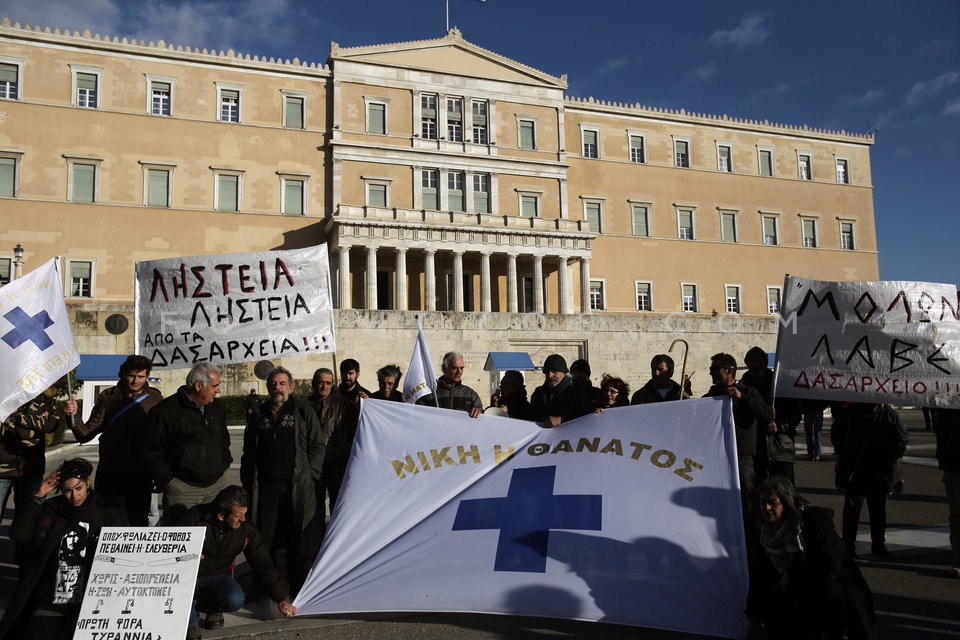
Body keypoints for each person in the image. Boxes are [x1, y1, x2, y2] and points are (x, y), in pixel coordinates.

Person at [0, 458, 124, 640]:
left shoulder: (105, 512)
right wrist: (38, 496)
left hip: (87, 603)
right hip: (49, 601)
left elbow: (118, 554)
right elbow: (19, 534)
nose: (74, 496)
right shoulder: (51, 509)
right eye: (67, 490)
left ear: (87, 484)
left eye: (79, 488)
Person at [747, 476, 875, 640]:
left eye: (773, 502)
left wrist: (792, 576)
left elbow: (829, 567)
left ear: (786, 502)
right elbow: (760, 576)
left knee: (828, 593)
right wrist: (754, 619)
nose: (767, 508)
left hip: (830, 585)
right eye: (763, 502)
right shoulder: (766, 533)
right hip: (798, 583)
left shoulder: (814, 522)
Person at [172, 486, 296, 640]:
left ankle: (211, 608)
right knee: (188, 617)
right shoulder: (192, 519)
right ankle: (191, 622)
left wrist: (281, 598)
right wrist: (190, 555)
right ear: (221, 515)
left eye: (244, 514)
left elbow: (263, 564)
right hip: (186, 579)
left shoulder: (245, 530)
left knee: (235, 598)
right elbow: (171, 555)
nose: (243, 520)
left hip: (217, 578)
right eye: (238, 516)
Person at [240, 367, 324, 592]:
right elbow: (249, 450)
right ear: (268, 387)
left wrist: (311, 474)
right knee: (264, 539)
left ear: (291, 386)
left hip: (296, 486)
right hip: (265, 488)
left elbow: (317, 445)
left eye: (282, 383)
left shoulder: (303, 410)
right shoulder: (259, 414)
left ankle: (298, 586)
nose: (278, 387)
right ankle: (266, 585)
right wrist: (247, 480)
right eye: (273, 383)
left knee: (297, 537)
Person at [62, 354, 163, 526]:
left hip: (140, 473)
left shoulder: (155, 399)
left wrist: (160, 471)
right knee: (107, 521)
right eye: (132, 375)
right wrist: (74, 416)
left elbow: (162, 437)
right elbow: (86, 433)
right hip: (111, 472)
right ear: (124, 374)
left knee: (137, 521)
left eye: (141, 377)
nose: (136, 381)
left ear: (147, 377)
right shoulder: (108, 397)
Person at [144, 362, 232, 512]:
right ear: (198, 386)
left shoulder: (217, 408)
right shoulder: (165, 411)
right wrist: (168, 482)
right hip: (183, 491)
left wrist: (224, 465)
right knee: (181, 533)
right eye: (214, 386)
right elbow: (151, 451)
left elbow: (224, 440)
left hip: (216, 487)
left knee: (213, 533)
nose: (218, 390)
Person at [830, 402, 909, 558]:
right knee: (857, 510)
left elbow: (901, 439)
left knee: (875, 510)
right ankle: (855, 546)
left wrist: (891, 456)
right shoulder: (886, 413)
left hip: (876, 469)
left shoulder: (887, 413)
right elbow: (836, 434)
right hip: (858, 469)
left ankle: (874, 544)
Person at [703, 353, 773, 510]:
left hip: (743, 457)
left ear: (728, 370)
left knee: (748, 499)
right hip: (717, 456)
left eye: (714, 368)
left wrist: (742, 397)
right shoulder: (710, 397)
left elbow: (766, 415)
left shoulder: (749, 392)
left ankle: (751, 533)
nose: (710, 373)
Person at [0, 390, 60, 568]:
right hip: (2, 467)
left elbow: (50, 425)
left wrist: (15, 420)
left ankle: (24, 567)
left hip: (30, 469)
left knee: (27, 518)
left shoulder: (45, 398)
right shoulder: (4, 396)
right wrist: (31, 426)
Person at [309, 368, 359, 516]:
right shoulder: (304, 407)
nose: (324, 387)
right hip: (314, 466)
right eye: (320, 383)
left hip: (338, 464)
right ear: (313, 383)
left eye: (328, 383)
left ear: (333, 385)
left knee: (338, 507)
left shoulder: (346, 406)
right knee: (314, 508)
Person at [932, 408, 960, 578]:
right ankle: (958, 558)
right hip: (953, 464)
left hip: (952, 463)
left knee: (957, 514)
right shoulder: (944, 410)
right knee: (956, 514)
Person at [529, 354, 592, 427]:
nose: (550, 375)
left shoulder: (577, 394)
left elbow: (585, 419)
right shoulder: (538, 393)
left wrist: (562, 420)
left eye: (554, 371)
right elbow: (532, 416)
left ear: (564, 373)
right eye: (547, 372)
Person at [416, 352, 483, 417]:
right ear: (444, 368)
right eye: (454, 368)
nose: (459, 372)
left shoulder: (470, 394)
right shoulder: (429, 393)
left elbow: (482, 415)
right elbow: (418, 416)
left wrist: (478, 411)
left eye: (461, 368)